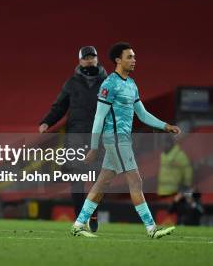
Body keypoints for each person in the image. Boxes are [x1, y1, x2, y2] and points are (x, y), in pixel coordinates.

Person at [72, 42, 181, 239]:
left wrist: (166, 126)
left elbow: (143, 114)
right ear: (118, 60)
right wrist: (94, 147)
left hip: (123, 139)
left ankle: (78, 224)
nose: (134, 60)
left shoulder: (131, 85)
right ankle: (151, 228)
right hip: (114, 139)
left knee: (102, 183)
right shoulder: (109, 84)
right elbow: (99, 117)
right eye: (129, 57)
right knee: (135, 180)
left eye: (134, 57)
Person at [39, 46, 107, 232]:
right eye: (86, 57)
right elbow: (59, 106)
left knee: (97, 180)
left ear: (97, 59)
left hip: (98, 136)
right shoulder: (71, 83)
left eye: (92, 57)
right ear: (80, 61)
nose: (90, 60)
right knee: (77, 179)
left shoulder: (108, 82)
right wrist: (46, 122)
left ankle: (92, 214)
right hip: (75, 136)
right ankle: (80, 219)